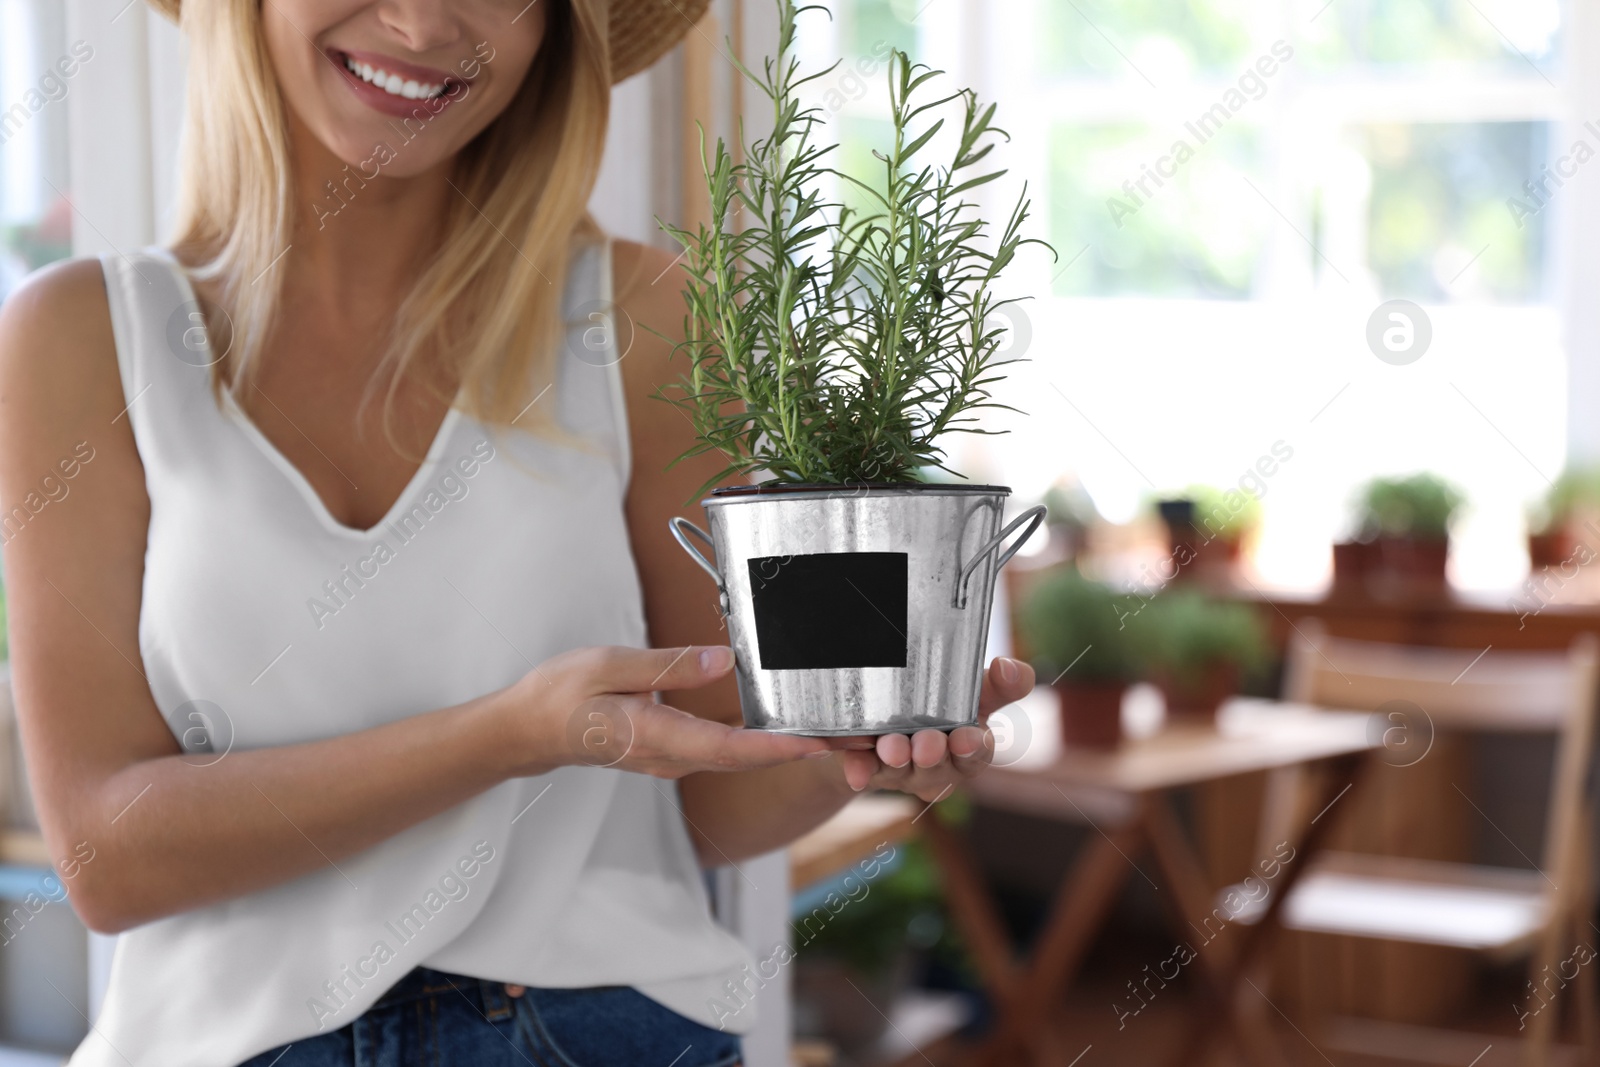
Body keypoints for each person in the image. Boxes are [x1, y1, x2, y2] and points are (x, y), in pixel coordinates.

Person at [0, 1, 1033, 1064]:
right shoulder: (81, 339)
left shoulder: (644, 317)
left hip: (595, 1029)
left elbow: (714, 796)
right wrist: (509, 734)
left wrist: (851, 749)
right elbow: (106, 858)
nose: (419, 23)